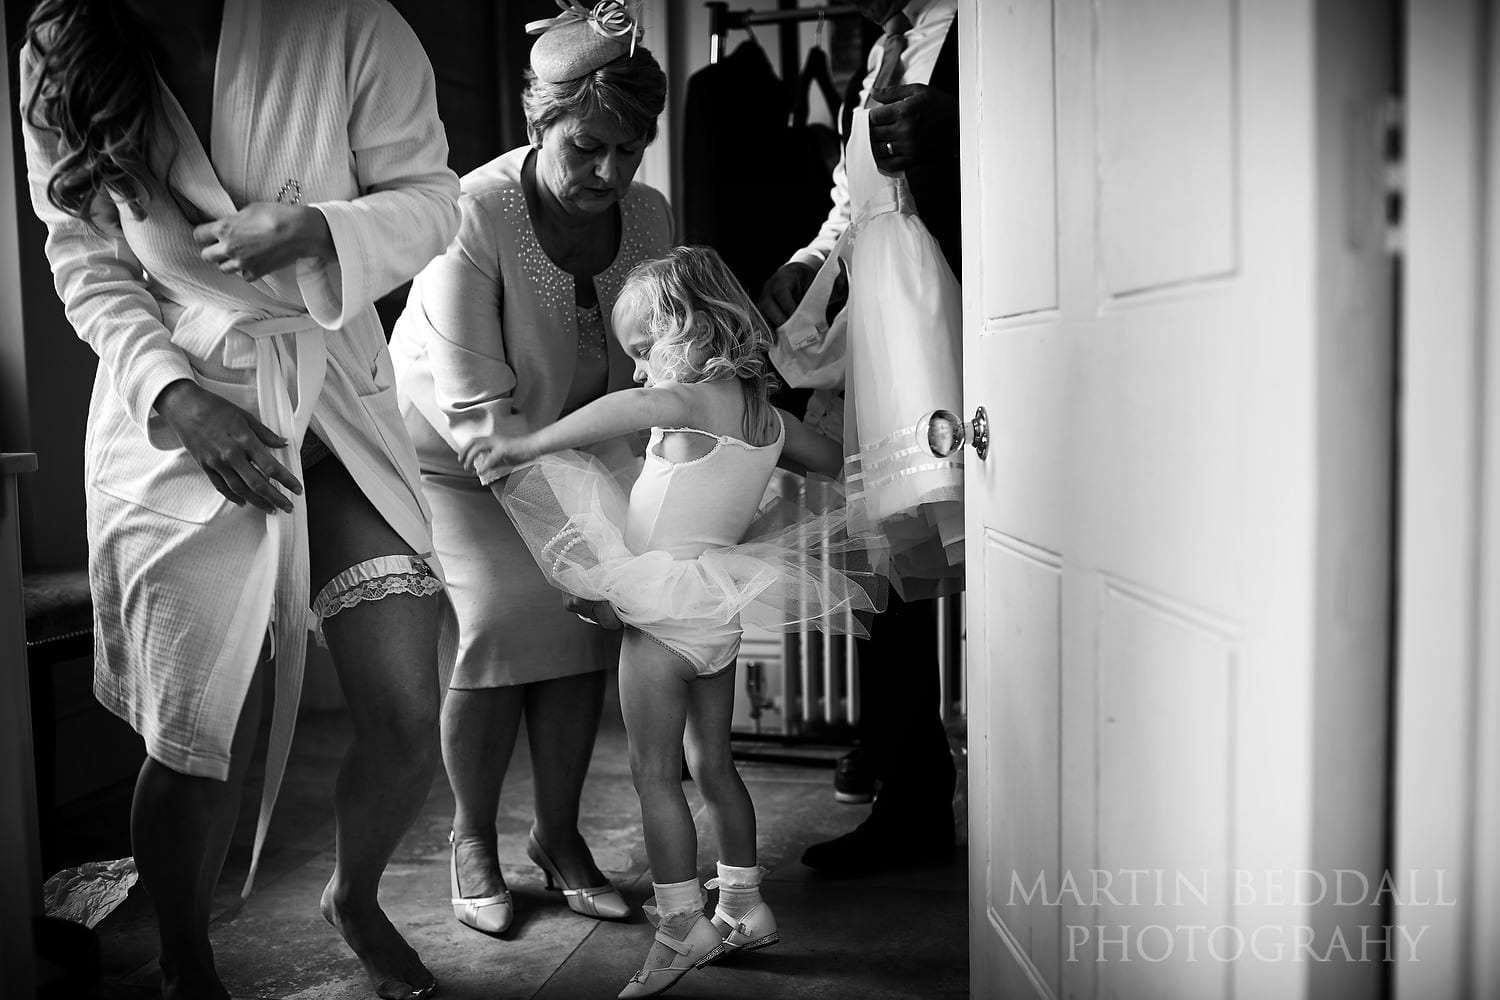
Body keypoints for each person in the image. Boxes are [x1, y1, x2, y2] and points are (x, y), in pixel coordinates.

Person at [18, 1, 461, 998]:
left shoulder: (348, 21)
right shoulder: (61, 46)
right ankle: (187, 960)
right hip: (176, 397)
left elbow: (434, 199)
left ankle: (352, 893)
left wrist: (323, 232)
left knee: (402, 711)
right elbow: (84, 255)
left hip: (333, 380)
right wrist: (173, 397)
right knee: (204, 732)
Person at [461, 245, 878, 998]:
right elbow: (833, 462)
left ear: (686, 328)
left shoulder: (685, 399)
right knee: (713, 765)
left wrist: (526, 441)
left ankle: (683, 924)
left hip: (661, 620)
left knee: (654, 773)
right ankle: (744, 907)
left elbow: (630, 410)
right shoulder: (767, 418)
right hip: (713, 615)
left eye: (644, 350)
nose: (640, 371)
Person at [388, 1, 670, 937]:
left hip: (582, 447)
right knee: (504, 619)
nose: (611, 173)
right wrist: (578, 550)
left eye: (631, 151)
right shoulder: (474, 212)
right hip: (459, 456)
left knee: (588, 626)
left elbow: (664, 359)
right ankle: (472, 839)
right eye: (588, 147)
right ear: (538, 123)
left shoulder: (650, 214)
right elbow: (479, 420)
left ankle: (558, 836)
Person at [757, 0, 963, 879]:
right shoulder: (879, 53)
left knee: (995, 543)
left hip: (955, 306)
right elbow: (853, 201)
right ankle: (910, 796)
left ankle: (1039, 792)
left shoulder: (994, 31)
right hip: (884, 326)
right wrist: (809, 261)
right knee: (886, 566)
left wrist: (946, 138)